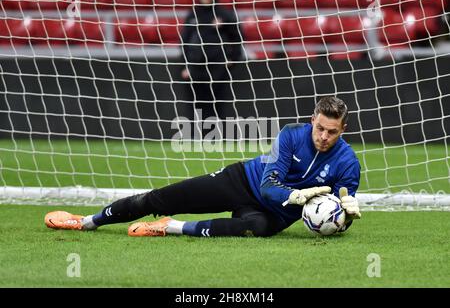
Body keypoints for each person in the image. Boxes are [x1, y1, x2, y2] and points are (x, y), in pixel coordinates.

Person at [45, 97, 361, 237]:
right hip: (242, 182)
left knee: (258, 229)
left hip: (271, 216)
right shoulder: (292, 135)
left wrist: (346, 216)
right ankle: (87, 221)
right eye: (319, 128)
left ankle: (169, 227)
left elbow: (335, 215)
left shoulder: (348, 164)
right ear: (312, 121)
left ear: (343, 129)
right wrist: (296, 197)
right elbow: (268, 184)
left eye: (332, 131)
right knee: (161, 198)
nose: (323, 136)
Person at [180, 0, 243, 125]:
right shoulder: (193, 15)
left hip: (217, 68)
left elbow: (237, 38)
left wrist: (233, 59)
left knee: (217, 103)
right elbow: (184, 41)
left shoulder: (224, 15)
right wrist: (185, 66)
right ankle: (196, 137)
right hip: (196, 67)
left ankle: (218, 136)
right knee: (197, 104)